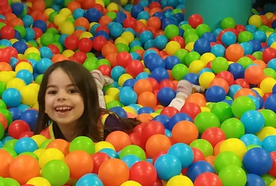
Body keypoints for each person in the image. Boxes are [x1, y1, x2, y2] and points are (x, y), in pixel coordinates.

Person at [34, 61, 198, 142]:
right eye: (53, 92)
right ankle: (96, 81)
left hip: (139, 120)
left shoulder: (110, 126)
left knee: (168, 116)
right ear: (43, 102)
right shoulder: (45, 138)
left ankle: (182, 95)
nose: (61, 97)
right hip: (92, 112)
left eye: (72, 90)